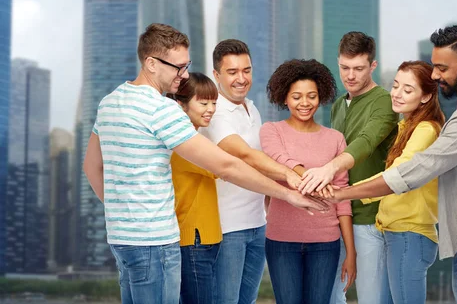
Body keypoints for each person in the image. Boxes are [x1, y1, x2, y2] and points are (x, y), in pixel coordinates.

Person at [83, 23, 326, 304]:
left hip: (122, 239)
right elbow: (227, 166)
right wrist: (288, 193)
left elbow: (92, 167)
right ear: (151, 63)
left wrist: (125, 217)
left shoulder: (110, 102)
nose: (184, 75)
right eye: (178, 67)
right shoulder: (162, 109)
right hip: (156, 241)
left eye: (187, 66)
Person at [331, 25, 457, 304]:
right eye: (433, 66)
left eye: (442, 68)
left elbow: (409, 173)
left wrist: (340, 193)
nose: (435, 75)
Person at [199, 39, 315, 304]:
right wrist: (290, 176)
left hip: (257, 225)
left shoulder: (251, 108)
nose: (241, 78)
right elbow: (245, 155)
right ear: (216, 75)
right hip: (227, 229)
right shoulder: (214, 112)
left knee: (247, 301)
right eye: (232, 72)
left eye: (247, 70)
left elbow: (264, 161)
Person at [297, 31, 399, 304]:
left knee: (371, 299)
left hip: (370, 219)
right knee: (330, 297)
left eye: (358, 68)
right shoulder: (339, 105)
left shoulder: (385, 102)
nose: (350, 75)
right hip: (337, 217)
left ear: (372, 66)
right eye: (344, 68)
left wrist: (328, 169)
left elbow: (365, 143)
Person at [259, 59, 356, 304]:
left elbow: (343, 197)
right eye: (297, 96)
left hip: (326, 242)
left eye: (311, 96)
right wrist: (314, 178)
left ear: (320, 96)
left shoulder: (335, 138)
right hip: (281, 241)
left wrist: (351, 252)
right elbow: (279, 159)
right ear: (284, 98)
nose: (305, 103)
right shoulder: (272, 131)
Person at [353, 61, 445, 303]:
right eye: (395, 86)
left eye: (408, 89)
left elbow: (398, 173)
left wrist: (347, 192)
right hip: (395, 235)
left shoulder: (426, 130)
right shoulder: (405, 128)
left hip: (409, 235)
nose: (397, 94)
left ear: (426, 97)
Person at [166, 72, 220, 304]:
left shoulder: (194, 139)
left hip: (204, 238)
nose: (210, 109)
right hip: (193, 241)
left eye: (214, 103)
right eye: (203, 102)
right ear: (181, 104)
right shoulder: (186, 144)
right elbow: (226, 168)